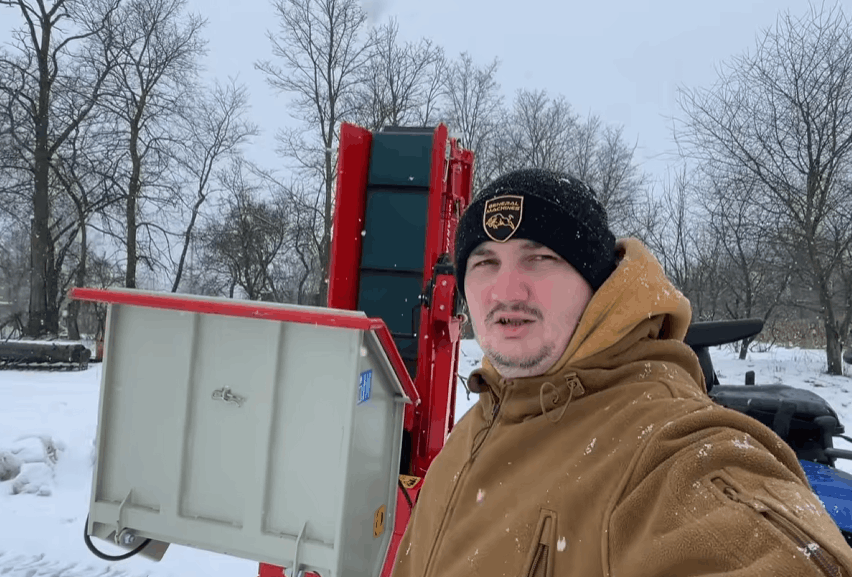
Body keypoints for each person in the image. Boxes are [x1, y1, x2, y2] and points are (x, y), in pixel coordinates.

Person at [391, 168, 852, 577]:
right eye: (485, 262)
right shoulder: (478, 425)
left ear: (600, 285)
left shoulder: (664, 447)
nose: (506, 290)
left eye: (540, 258)